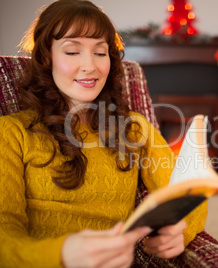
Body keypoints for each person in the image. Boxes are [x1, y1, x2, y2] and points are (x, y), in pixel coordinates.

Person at [0, 0, 207, 267]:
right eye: (72, 52)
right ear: (45, 58)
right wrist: (61, 254)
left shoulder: (135, 128)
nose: (90, 66)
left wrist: (182, 231)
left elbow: (187, 193)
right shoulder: (12, 133)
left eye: (100, 52)